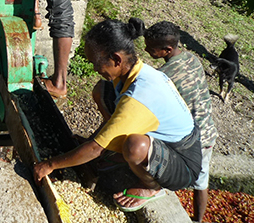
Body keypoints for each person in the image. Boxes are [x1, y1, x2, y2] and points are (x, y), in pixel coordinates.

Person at [33, 18, 202, 212]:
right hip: (163, 140)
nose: (95, 69)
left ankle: (152, 187)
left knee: (134, 146)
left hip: (183, 161)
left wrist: (50, 164)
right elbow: (110, 126)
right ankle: (114, 149)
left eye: (96, 63)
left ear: (116, 59)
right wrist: (96, 141)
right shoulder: (130, 73)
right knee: (102, 90)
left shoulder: (140, 96)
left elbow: (95, 150)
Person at [144, 21, 218, 223]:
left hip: (193, 137)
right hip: (208, 131)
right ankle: (198, 220)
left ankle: (156, 188)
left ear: (166, 49)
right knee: (202, 182)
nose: (146, 50)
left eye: (151, 48)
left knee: (168, 164)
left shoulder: (166, 76)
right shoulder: (192, 59)